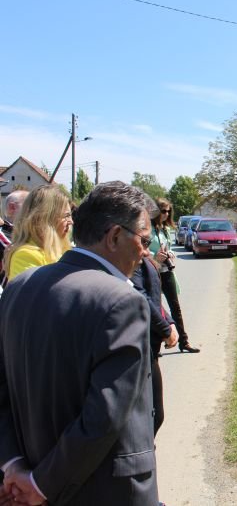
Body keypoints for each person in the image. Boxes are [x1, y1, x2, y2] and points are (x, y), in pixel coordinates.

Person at [0, 181, 159, 505]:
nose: (145, 253)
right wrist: (41, 485)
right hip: (106, 491)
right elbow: (104, 416)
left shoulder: (18, 287)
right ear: (114, 236)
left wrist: (14, 467)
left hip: (27, 481)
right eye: (143, 240)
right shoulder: (122, 301)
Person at [132, 254, 179, 435]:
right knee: (151, 416)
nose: (145, 250)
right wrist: (165, 329)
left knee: (155, 415)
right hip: (141, 345)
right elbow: (141, 297)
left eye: (147, 242)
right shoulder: (129, 262)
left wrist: (169, 322)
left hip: (152, 346)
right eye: (143, 242)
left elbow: (154, 298)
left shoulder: (142, 259)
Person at [149, 198, 199, 353]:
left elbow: (168, 246)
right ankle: (156, 345)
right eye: (163, 211)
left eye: (168, 211)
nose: (166, 214)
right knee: (156, 309)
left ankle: (184, 342)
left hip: (166, 271)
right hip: (152, 272)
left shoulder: (165, 229)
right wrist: (154, 256)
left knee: (175, 308)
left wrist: (170, 253)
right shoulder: (147, 229)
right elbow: (141, 250)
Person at [3, 185, 72, 282]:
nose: (71, 221)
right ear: (45, 218)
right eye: (66, 216)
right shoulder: (25, 255)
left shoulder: (62, 249)